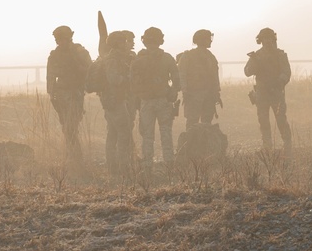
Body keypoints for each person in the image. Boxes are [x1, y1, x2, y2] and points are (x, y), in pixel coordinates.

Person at [130, 27, 180, 170]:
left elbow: (132, 83)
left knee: (147, 135)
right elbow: (177, 80)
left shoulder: (138, 60)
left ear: (145, 41)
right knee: (166, 132)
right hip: (163, 100)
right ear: (160, 40)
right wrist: (172, 92)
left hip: (146, 102)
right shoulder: (167, 58)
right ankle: (169, 162)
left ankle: (147, 165)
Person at [88, 30, 136, 176]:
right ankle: (123, 169)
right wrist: (129, 78)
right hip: (116, 101)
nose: (126, 44)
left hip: (112, 101)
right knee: (123, 134)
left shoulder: (111, 58)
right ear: (118, 44)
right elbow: (114, 79)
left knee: (113, 134)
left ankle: (113, 168)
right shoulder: (113, 60)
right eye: (123, 41)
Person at [46, 25, 92, 166]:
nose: (59, 42)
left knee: (71, 126)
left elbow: (90, 71)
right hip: (61, 94)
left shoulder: (79, 52)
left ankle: (75, 157)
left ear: (69, 37)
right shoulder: (55, 55)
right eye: (57, 39)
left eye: (62, 38)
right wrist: (52, 94)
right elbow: (51, 77)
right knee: (66, 126)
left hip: (75, 92)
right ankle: (73, 156)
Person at [243, 27, 292, 157]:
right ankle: (267, 146)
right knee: (263, 120)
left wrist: (278, 83)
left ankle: (287, 144)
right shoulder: (256, 55)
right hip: (262, 93)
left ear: (273, 38)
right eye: (264, 38)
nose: (267, 41)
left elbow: (286, 72)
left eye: (269, 38)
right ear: (260, 40)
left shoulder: (280, 54)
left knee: (281, 119)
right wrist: (254, 64)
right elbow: (247, 72)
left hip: (276, 92)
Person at [176, 29, 222, 128]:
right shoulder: (188, 56)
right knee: (193, 122)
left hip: (207, 94)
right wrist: (185, 91)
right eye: (208, 39)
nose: (210, 41)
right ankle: (191, 142)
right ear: (201, 40)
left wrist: (216, 92)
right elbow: (182, 74)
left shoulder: (210, 56)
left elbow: (214, 76)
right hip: (193, 94)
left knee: (206, 122)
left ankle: (202, 142)